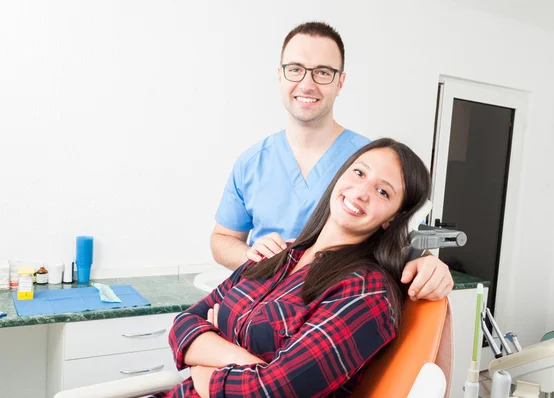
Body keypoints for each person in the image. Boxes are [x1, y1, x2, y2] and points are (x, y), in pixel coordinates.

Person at [154, 138, 431, 398]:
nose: (361, 192)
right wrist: (241, 361)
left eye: (382, 191)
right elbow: (184, 324)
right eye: (359, 173)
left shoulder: (365, 293)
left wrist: (202, 364)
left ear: (393, 218)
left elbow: (271, 392)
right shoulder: (280, 253)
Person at [211, 22, 453, 301]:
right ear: (280, 75)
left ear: (340, 82)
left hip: (337, 314)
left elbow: (404, 244)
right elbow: (221, 239)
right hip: (259, 307)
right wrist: (251, 255)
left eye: (323, 72)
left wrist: (430, 264)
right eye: (295, 69)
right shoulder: (251, 162)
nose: (306, 83)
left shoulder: (371, 165)